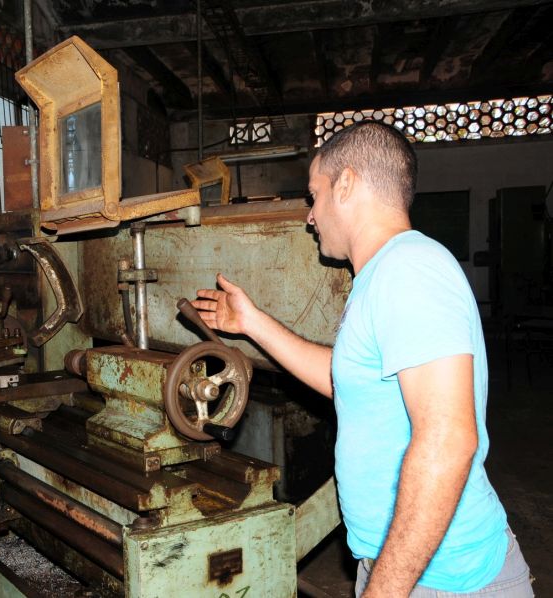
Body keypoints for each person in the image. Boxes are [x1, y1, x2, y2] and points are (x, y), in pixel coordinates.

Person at [193, 121, 533, 597]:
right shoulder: (383, 277)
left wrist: (384, 589)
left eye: (314, 194)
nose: (310, 215)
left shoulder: (409, 270)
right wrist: (252, 322)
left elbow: (448, 441)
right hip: (404, 567)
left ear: (346, 183)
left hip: (444, 578)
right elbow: (346, 380)